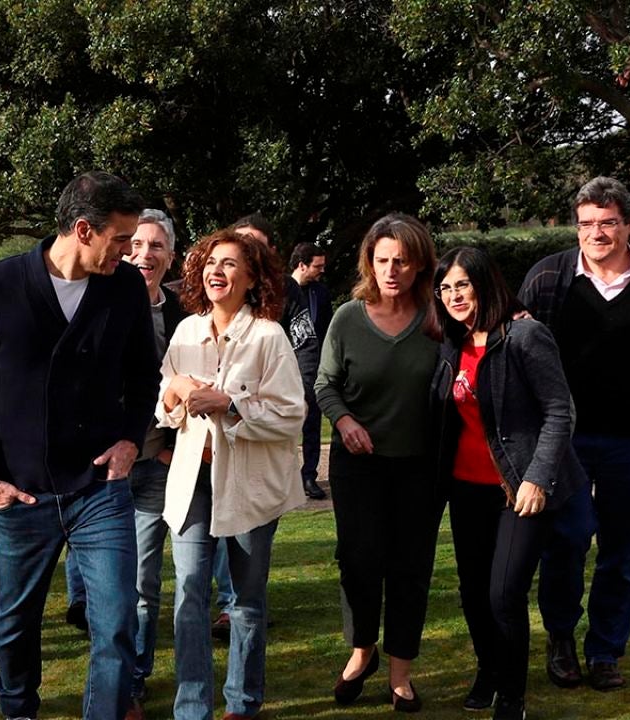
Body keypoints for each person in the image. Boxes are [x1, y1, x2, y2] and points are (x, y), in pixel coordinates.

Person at [0, 170, 159, 720]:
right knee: (15, 625)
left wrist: (129, 442)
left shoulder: (125, 288)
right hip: (20, 494)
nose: (131, 252)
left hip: (100, 491)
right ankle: (18, 709)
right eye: (122, 240)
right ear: (84, 230)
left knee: (115, 623)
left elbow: (144, 376)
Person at [519, 176, 630, 692]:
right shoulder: (547, 278)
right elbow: (520, 356)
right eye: (587, 224)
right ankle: (560, 640)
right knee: (568, 540)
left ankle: (604, 652)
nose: (596, 233)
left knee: (621, 551)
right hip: (565, 443)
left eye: (607, 223)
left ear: (629, 225)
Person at [431, 247, 588, 720]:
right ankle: (490, 669)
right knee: (474, 591)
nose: (455, 295)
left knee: (504, 592)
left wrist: (538, 478)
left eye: (463, 284)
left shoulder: (524, 335)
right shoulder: (451, 343)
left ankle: (513, 696)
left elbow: (560, 411)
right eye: (445, 288)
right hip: (466, 487)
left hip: (519, 490)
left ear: (484, 282)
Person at [158, 228, 306, 720]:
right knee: (189, 591)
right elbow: (165, 410)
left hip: (248, 487)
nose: (216, 271)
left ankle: (243, 704)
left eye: (229, 264)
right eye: (210, 263)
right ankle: (192, 708)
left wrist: (230, 404)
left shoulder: (268, 336)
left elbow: (290, 414)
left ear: (251, 278)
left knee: (244, 599)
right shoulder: (185, 332)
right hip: (192, 482)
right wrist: (175, 388)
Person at [314, 212, 442, 713]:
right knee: (360, 562)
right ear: (370, 262)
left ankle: (400, 675)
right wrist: (344, 421)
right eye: (382, 260)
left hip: (420, 466)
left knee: (410, 570)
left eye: (402, 262)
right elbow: (324, 384)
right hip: (359, 466)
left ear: (418, 266)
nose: (391, 270)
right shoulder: (349, 317)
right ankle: (361, 651)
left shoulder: (437, 318)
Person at [120, 208, 188, 719]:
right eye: (136, 245)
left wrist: (167, 443)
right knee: (109, 583)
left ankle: (135, 682)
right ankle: (115, 678)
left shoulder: (183, 313)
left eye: (156, 246)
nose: (145, 255)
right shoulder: (99, 303)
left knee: (144, 583)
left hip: (157, 465)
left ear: (171, 255)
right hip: (104, 470)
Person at [289, 241, 333, 500]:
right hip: (282, 369)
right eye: (317, 266)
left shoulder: (321, 293)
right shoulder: (281, 291)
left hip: (312, 369)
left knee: (313, 424)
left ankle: (309, 476)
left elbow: (325, 331)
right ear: (302, 265)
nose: (321, 271)